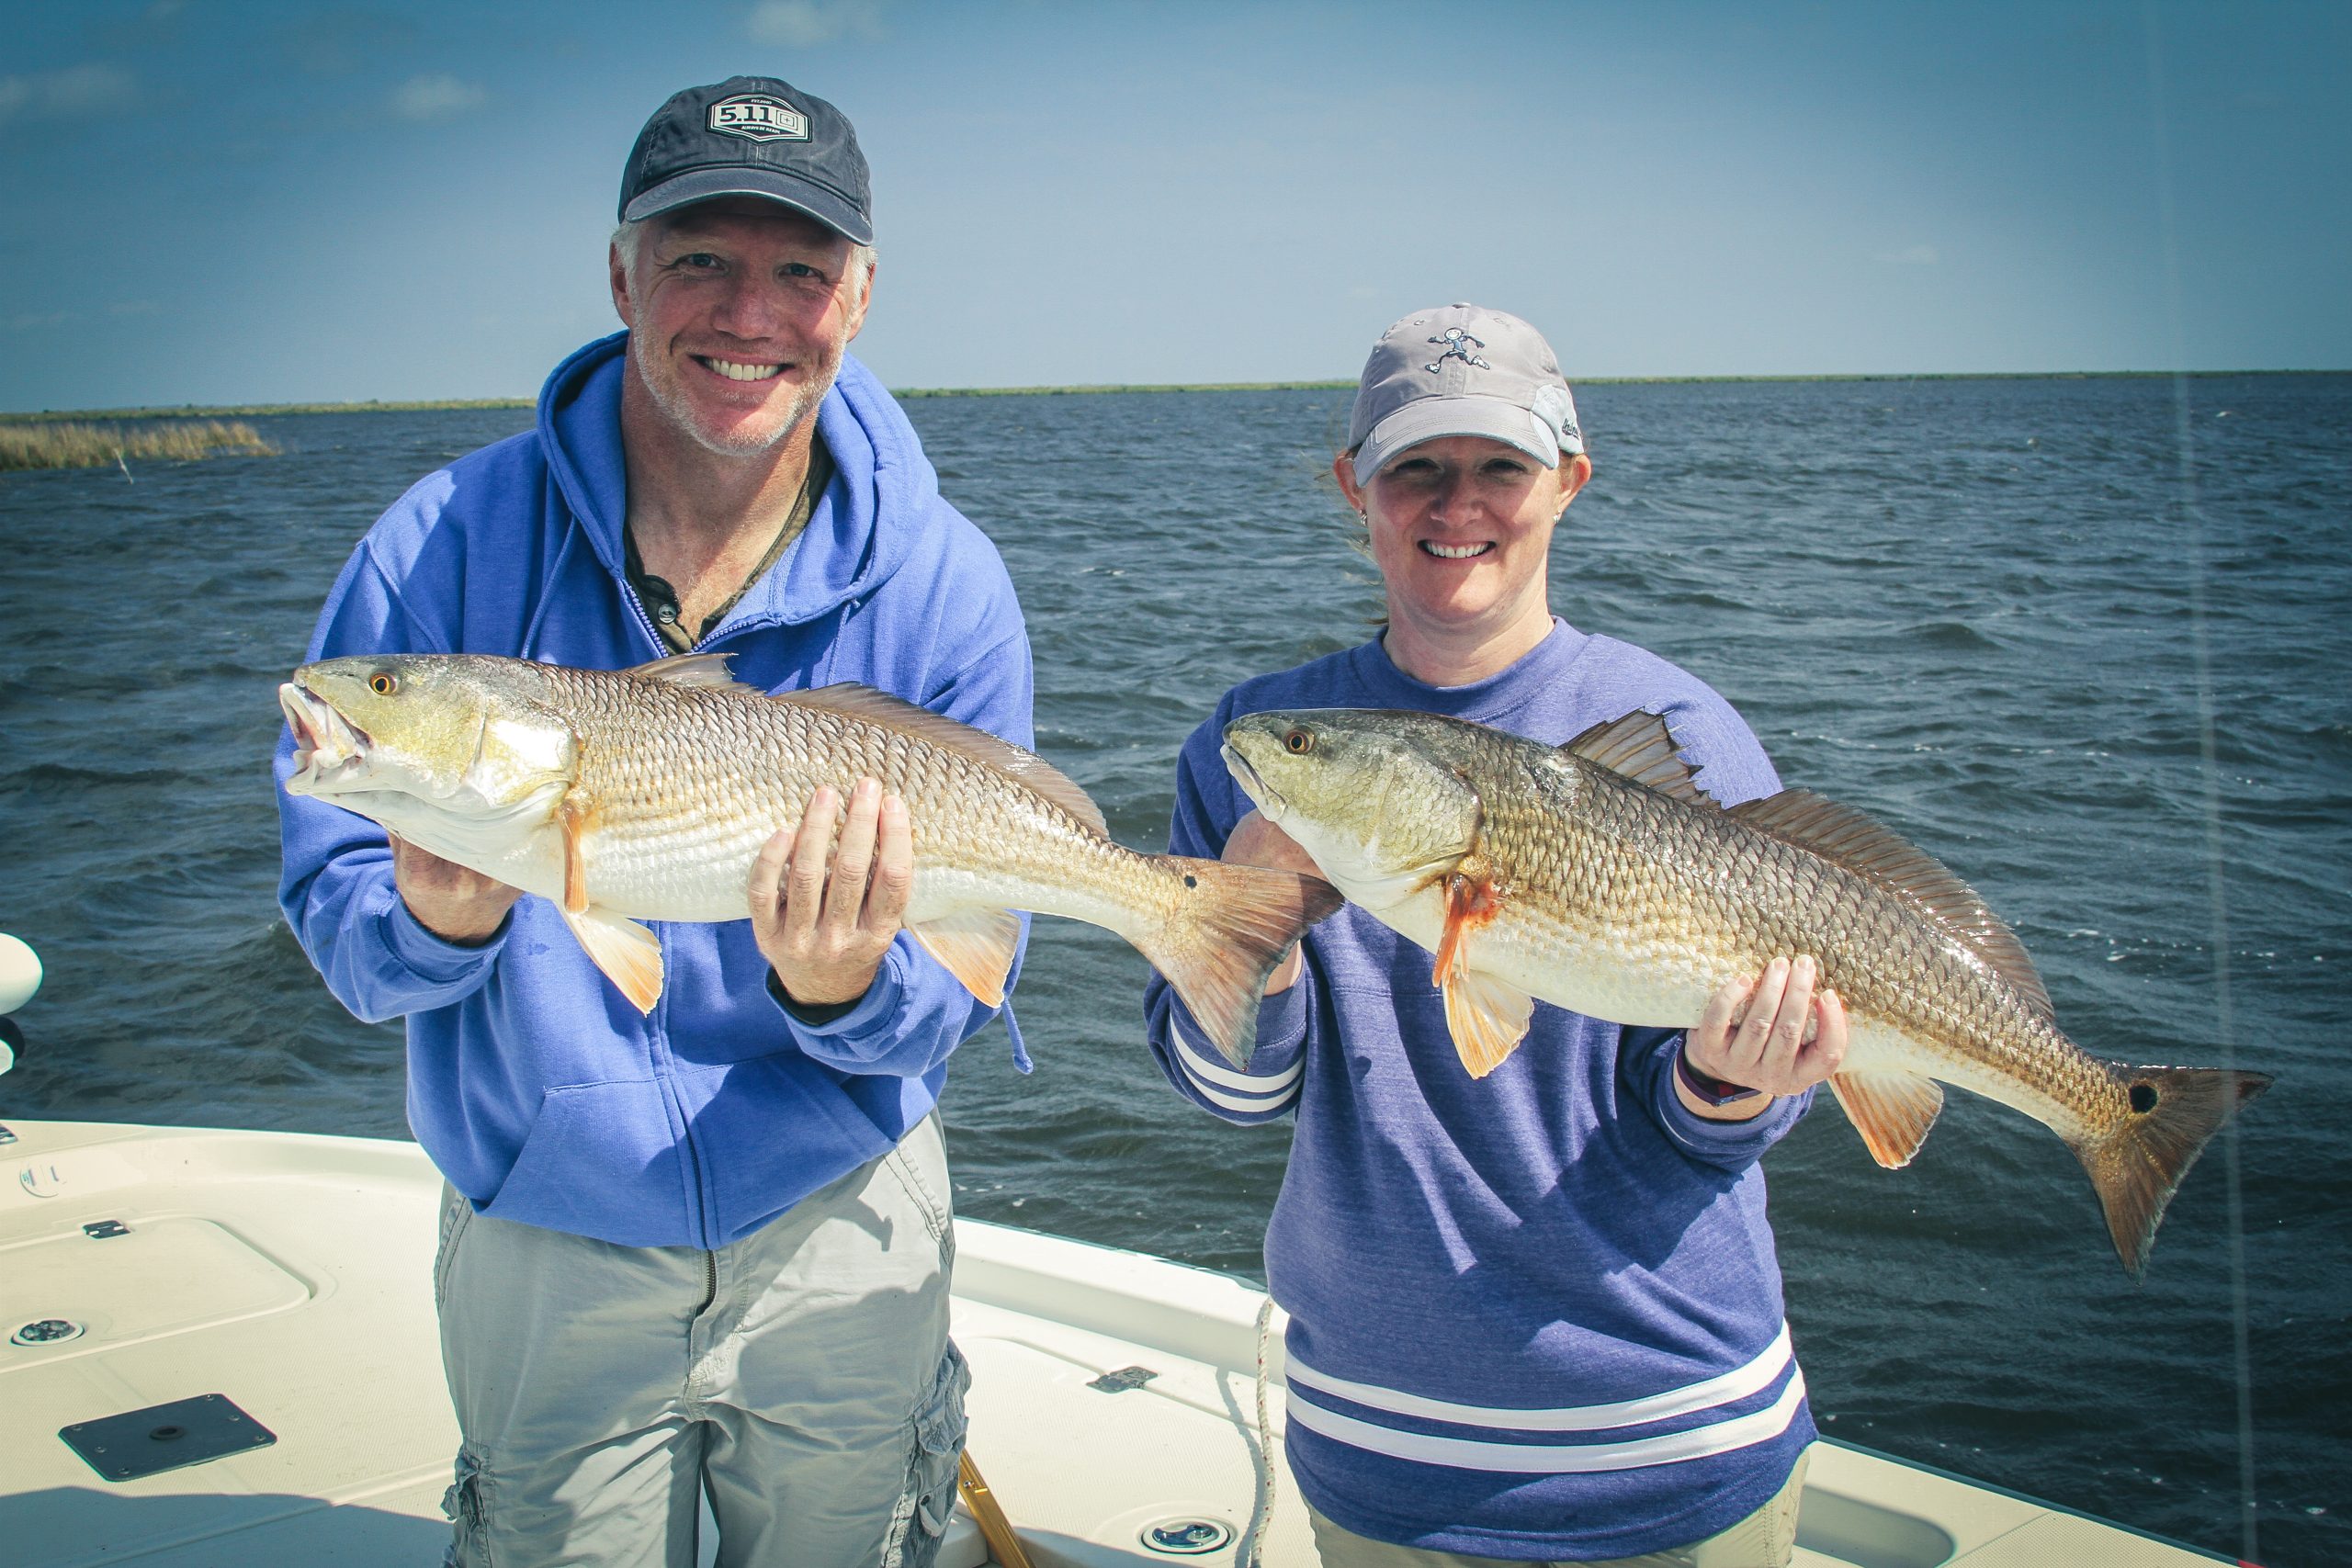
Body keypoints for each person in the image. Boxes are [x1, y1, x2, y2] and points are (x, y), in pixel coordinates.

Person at [277, 76, 1027, 1568]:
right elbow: (347, 937)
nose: (750, 310)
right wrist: (437, 917)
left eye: (800, 269)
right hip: (544, 1220)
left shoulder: (950, 589)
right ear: (620, 272)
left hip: (843, 1206)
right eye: (698, 259)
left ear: (859, 296)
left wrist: (844, 986)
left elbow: (951, 998)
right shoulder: (434, 548)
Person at [1144, 304, 1845, 1566]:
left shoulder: (1678, 729)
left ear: (1569, 482)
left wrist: (1730, 1084)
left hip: (1671, 1434)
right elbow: (1232, 1095)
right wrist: (1260, 934)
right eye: (1415, 464)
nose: (1455, 503)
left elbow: (1723, 1126)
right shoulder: (1255, 744)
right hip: (1382, 1443)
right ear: (1353, 485)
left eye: (1499, 467)